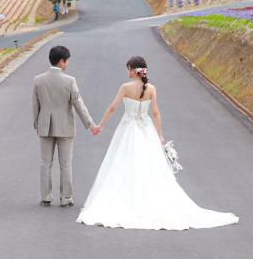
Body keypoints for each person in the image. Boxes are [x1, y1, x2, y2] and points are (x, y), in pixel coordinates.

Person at [76, 56, 238, 229]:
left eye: (128, 68)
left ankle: (130, 198)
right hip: (147, 130)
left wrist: (101, 125)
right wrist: (159, 135)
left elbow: (112, 107)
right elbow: (155, 114)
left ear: (133, 70)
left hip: (128, 129)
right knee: (149, 164)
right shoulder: (151, 89)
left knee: (124, 162)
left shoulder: (125, 87)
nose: (127, 71)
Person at [32, 45, 97, 208]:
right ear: (61, 62)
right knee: (65, 164)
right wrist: (90, 125)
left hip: (45, 127)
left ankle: (45, 198)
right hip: (65, 128)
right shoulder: (69, 81)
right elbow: (78, 104)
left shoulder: (38, 80)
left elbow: (35, 105)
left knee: (45, 163)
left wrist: (37, 124)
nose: (68, 63)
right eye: (67, 61)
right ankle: (66, 199)